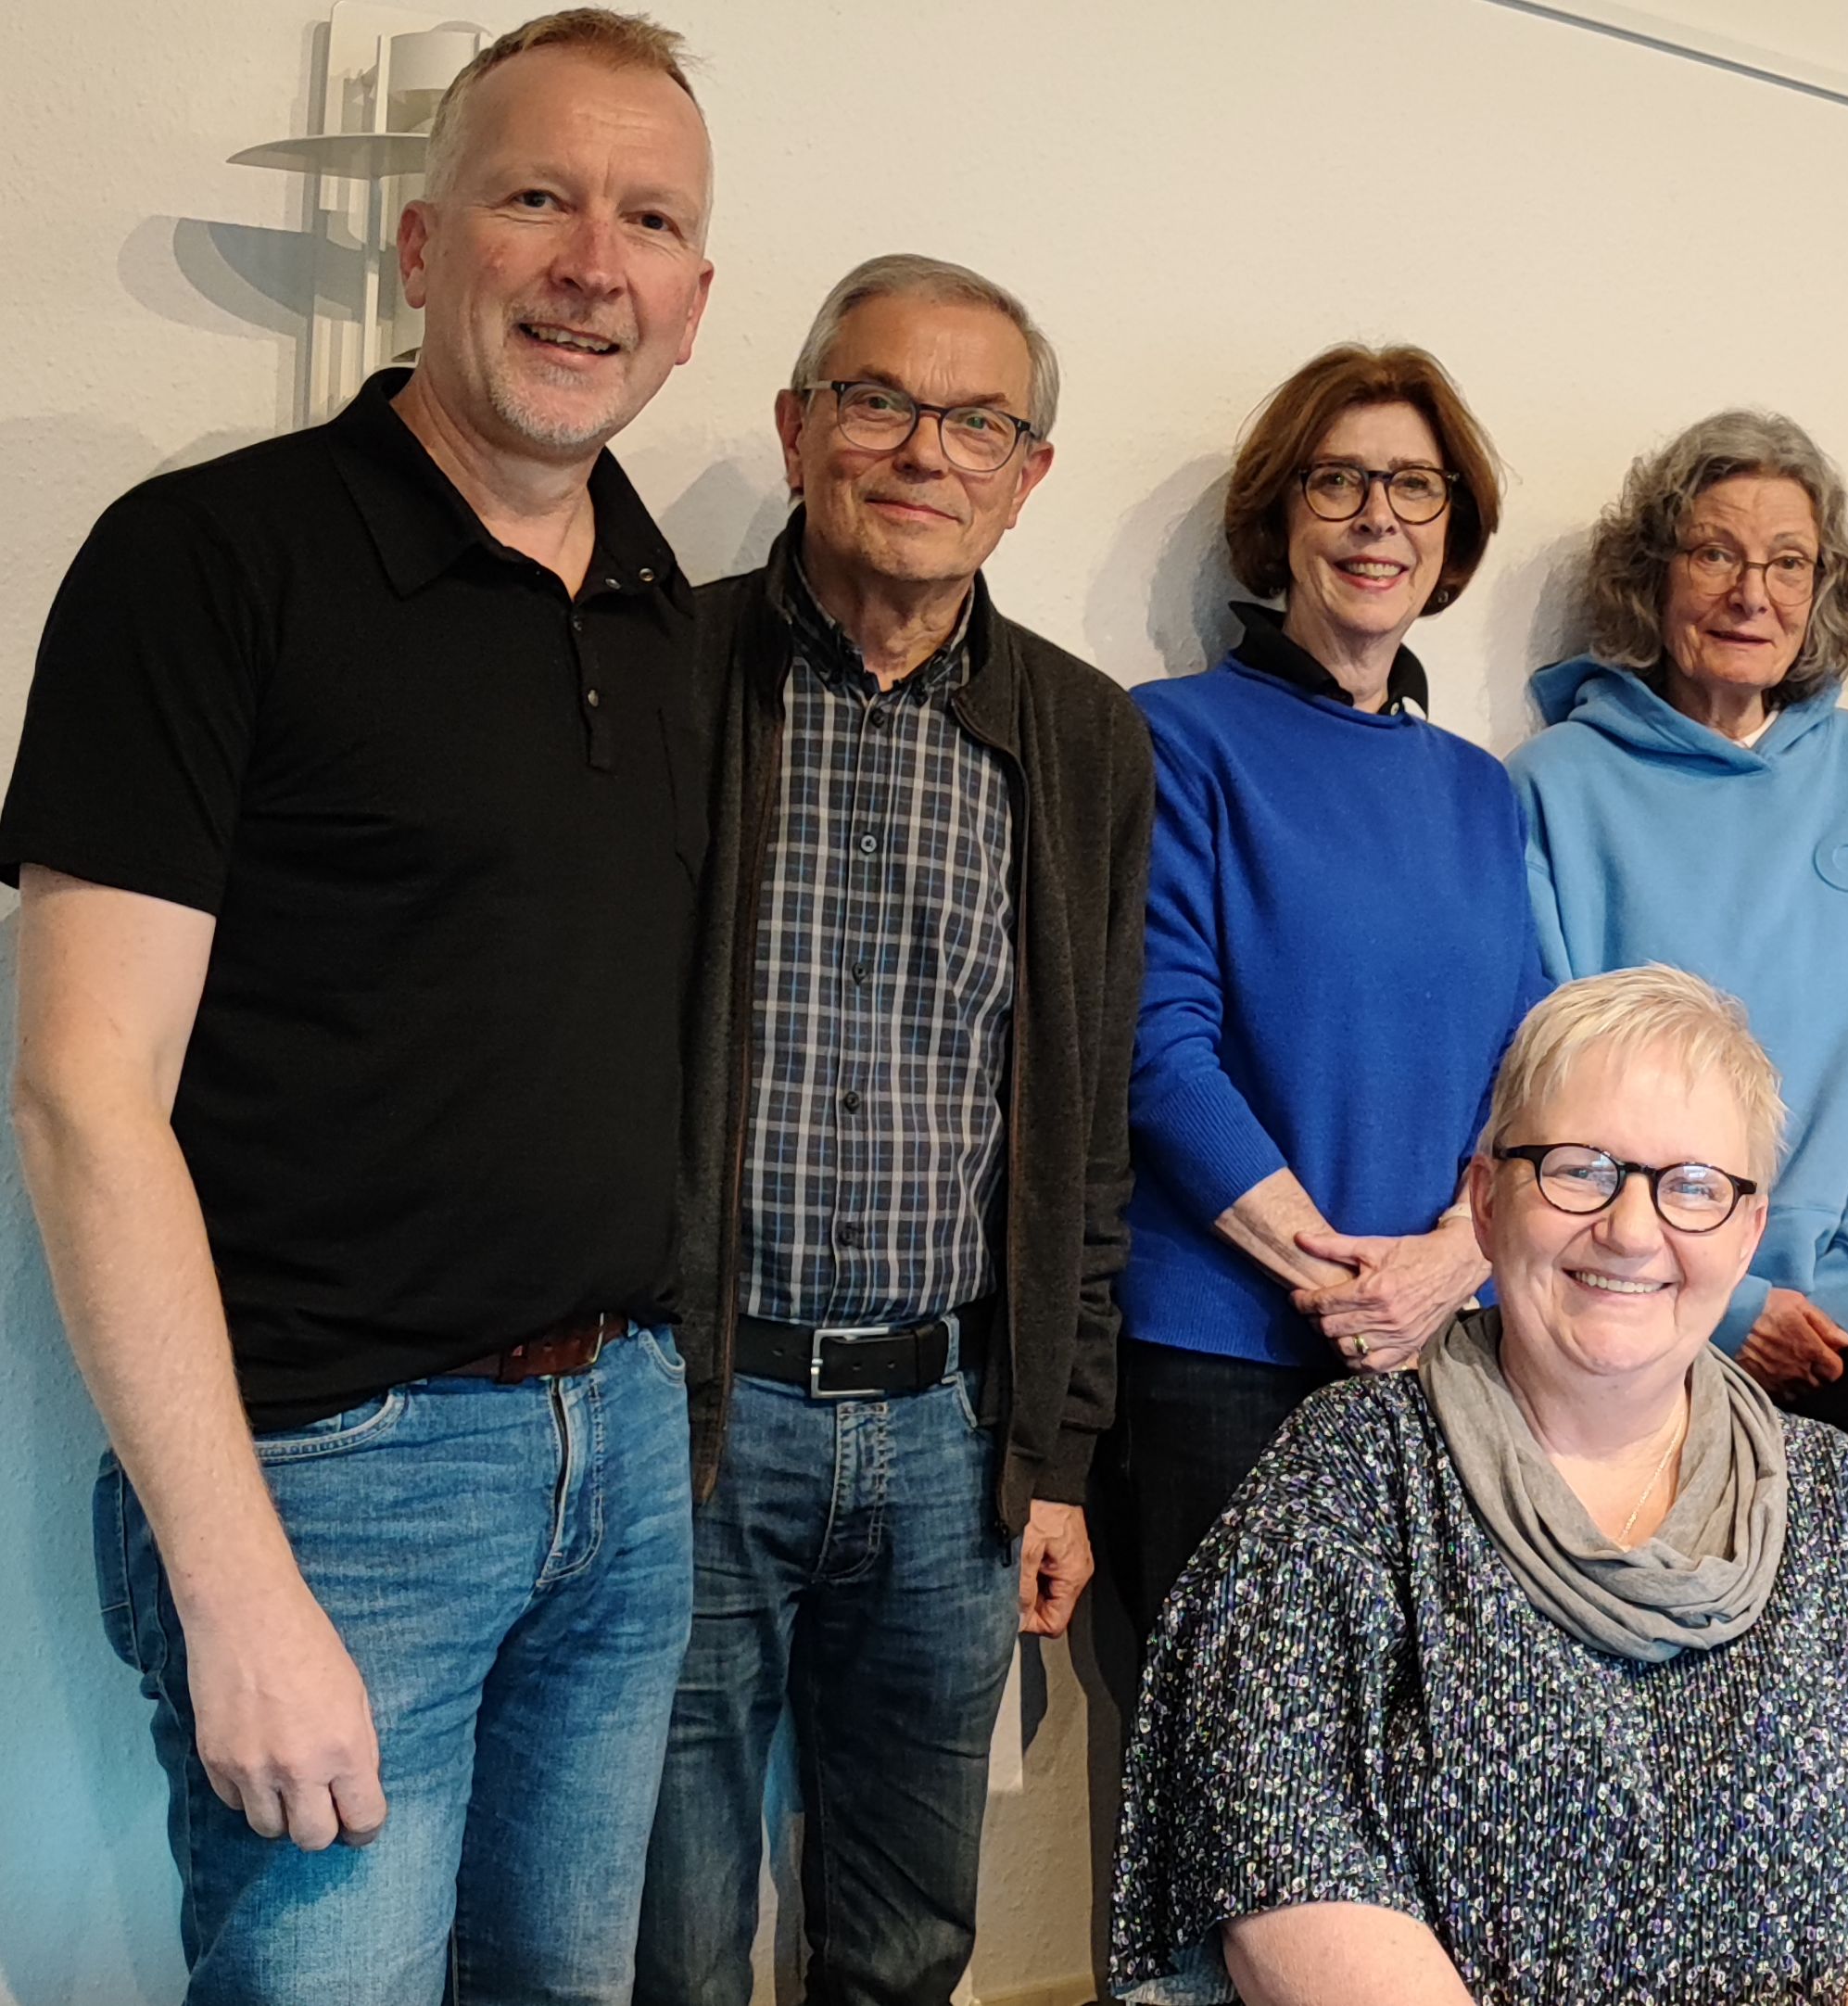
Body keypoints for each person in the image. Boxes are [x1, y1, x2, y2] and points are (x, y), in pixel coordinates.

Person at [0, 12, 714, 1995]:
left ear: (694, 301)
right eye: (535, 195)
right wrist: (234, 1590)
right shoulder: (207, 561)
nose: (593, 259)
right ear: (422, 245)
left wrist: (660, 1437)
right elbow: (81, 1092)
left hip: (628, 1444)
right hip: (333, 1480)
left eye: (647, 218)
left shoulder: (664, 615)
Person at [1111, 966, 1848, 2005]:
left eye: (1691, 1184)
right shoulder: (1345, 1483)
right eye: (1579, 1169)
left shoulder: (1846, 1509)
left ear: (1745, 1232)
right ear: (1485, 1200)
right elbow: (1280, 1860)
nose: (1632, 1231)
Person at [639, 256, 1149, 2004]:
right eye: (878, 400)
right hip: (691, 1414)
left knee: (909, 1932)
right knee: (671, 1934)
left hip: (947, 1433)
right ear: (796, 430)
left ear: (1030, 473)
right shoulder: (661, 669)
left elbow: (1086, 1132)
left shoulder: (1080, 736)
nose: (925, 449)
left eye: (979, 419)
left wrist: (1059, 1452)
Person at [1085, 343, 1548, 1934]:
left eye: (1410, 485)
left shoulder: (1481, 790)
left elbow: (1534, 1077)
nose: (1374, 517)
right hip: (1218, 1345)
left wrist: (1445, 1265)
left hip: (1434, 1344)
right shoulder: (1174, 734)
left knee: (1407, 1777)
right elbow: (1154, 1039)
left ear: (1454, 526)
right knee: (1227, 1793)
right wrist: (1336, 1266)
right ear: (1277, 517)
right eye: (1337, 480)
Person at [1509, 409, 1848, 1421]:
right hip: (1628, 1305)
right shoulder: (1554, 787)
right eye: (1715, 553)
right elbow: (1542, 1084)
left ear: (1822, 589)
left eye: (1788, 563)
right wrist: (1724, 1305)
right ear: (1654, 573)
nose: (1751, 594)